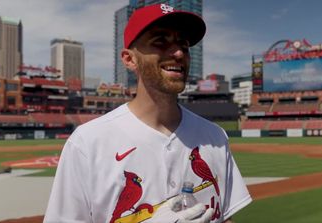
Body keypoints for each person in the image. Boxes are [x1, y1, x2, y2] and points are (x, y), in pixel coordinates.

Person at [44, 3, 252, 223]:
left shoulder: (215, 137)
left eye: (184, 44)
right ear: (129, 59)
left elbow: (225, 217)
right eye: (160, 42)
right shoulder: (87, 143)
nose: (179, 53)